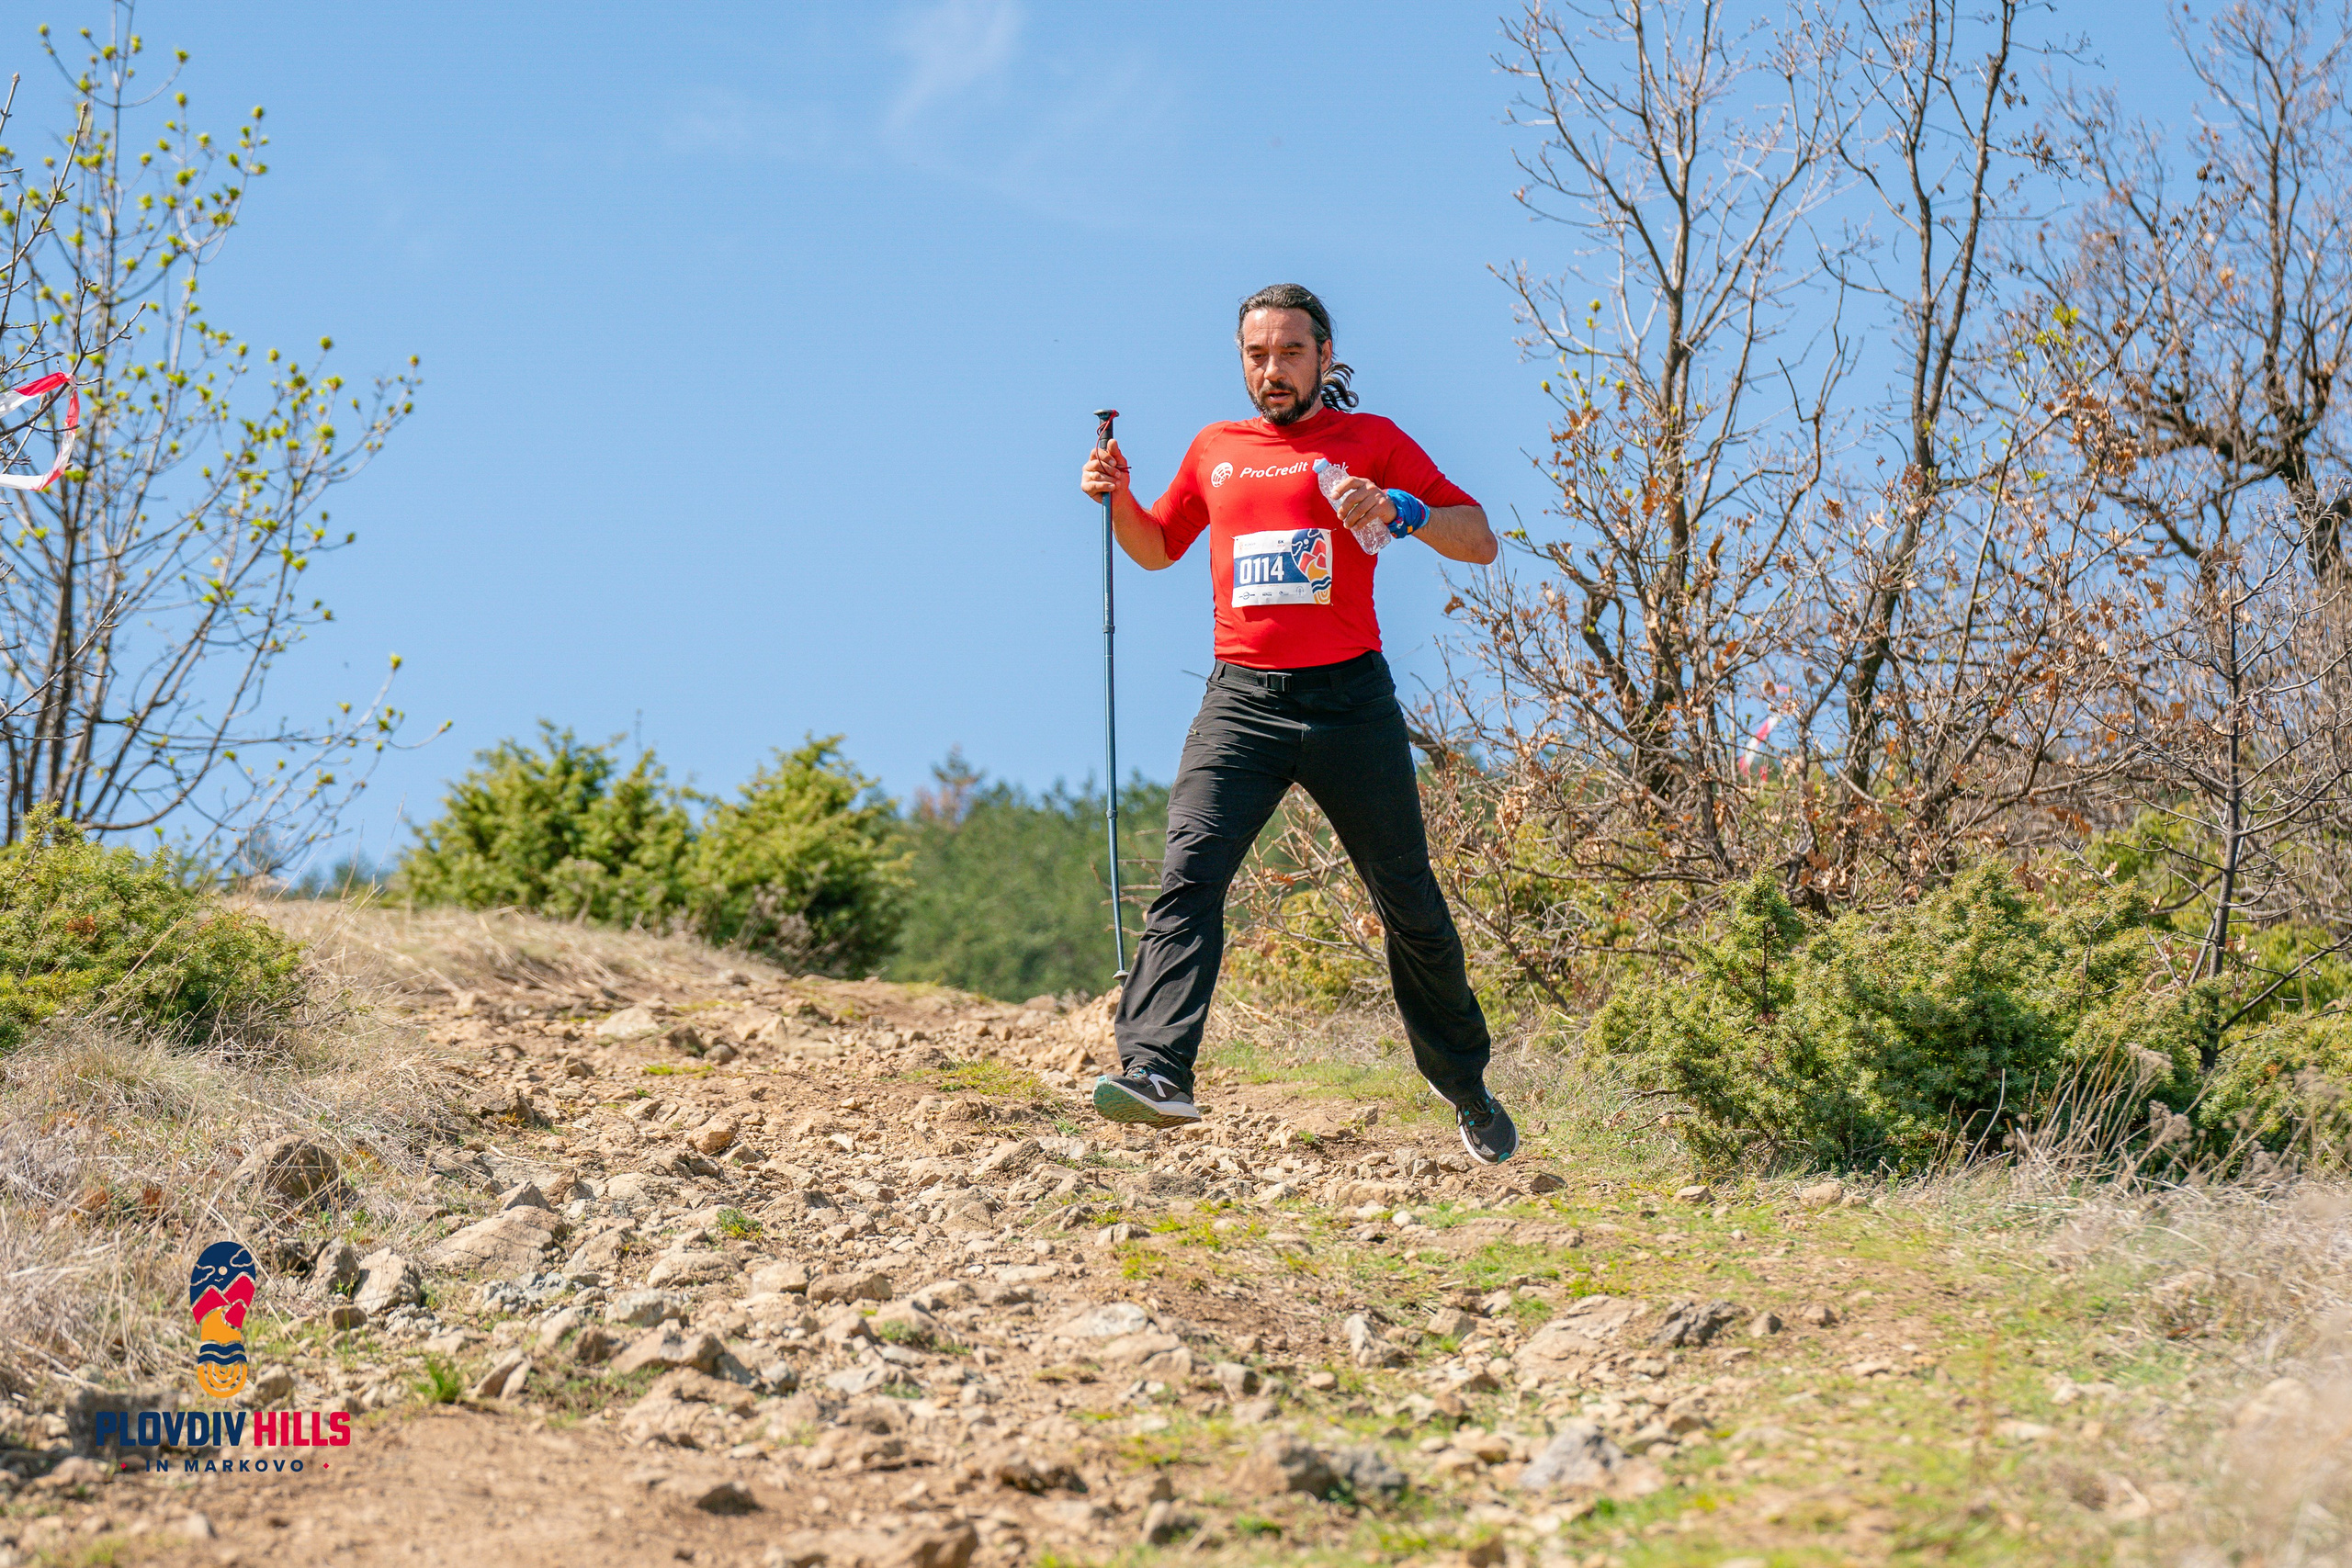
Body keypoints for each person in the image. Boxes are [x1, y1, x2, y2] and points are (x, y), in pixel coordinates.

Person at [1076, 282, 1519, 1166]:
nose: (1270, 371)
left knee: (1412, 906)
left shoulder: (1371, 442)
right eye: (1255, 355)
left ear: (1323, 356)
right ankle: (1158, 1070)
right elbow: (1158, 546)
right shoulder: (1216, 450)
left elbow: (1479, 539)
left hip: (1350, 699)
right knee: (1189, 874)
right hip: (1242, 699)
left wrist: (1403, 510)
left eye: (1287, 353)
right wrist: (1116, 498)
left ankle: (1464, 1082)